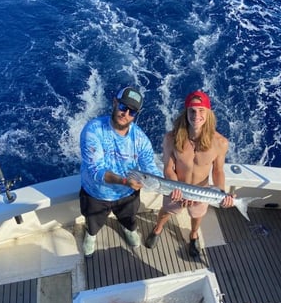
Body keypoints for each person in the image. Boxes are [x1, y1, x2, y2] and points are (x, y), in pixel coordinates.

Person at [144, 90, 234, 257]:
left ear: (208, 113)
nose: (196, 115)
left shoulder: (220, 143)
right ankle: (158, 228)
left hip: (202, 191)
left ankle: (193, 235)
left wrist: (221, 193)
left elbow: (218, 170)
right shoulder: (171, 138)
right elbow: (168, 168)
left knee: (197, 216)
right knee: (166, 211)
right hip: (175, 189)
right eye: (192, 110)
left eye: (201, 111)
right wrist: (176, 188)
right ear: (186, 112)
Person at [79, 86, 162, 257]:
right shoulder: (93, 130)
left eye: (132, 112)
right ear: (115, 102)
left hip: (128, 194)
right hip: (96, 193)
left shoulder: (140, 139)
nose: (126, 114)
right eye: (123, 107)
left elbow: (150, 168)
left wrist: (170, 188)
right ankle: (91, 235)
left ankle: (129, 230)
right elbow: (96, 172)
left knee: (129, 219)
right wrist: (125, 181)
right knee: (94, 222)